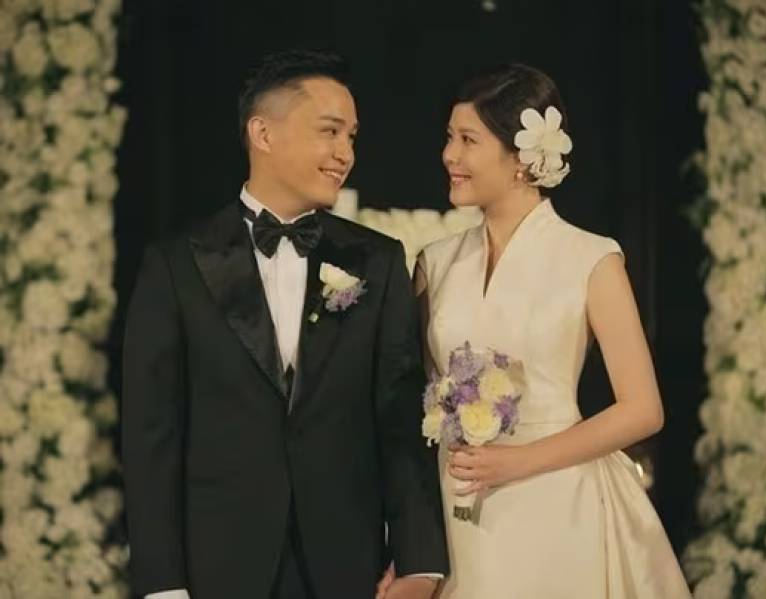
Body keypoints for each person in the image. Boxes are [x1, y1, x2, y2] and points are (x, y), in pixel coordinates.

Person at [122, 49, 448, 599]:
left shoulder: (377, 260)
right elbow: (150, 435)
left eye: (352, 137)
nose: (345, 154)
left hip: (348, 567)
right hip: (217, 569)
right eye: (329, 132)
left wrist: (420, 561)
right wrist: (162, 584)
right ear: (263, 133)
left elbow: (399, 417)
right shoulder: (175, 265)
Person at [415, 64, 691, 597]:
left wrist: (519, 461)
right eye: (449, 137)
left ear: (520, 158)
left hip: (558, 498)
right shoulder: (436, 262)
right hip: (460, 503)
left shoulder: (591, 258)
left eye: (468, 140)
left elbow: (643, 408)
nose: (449, 155)